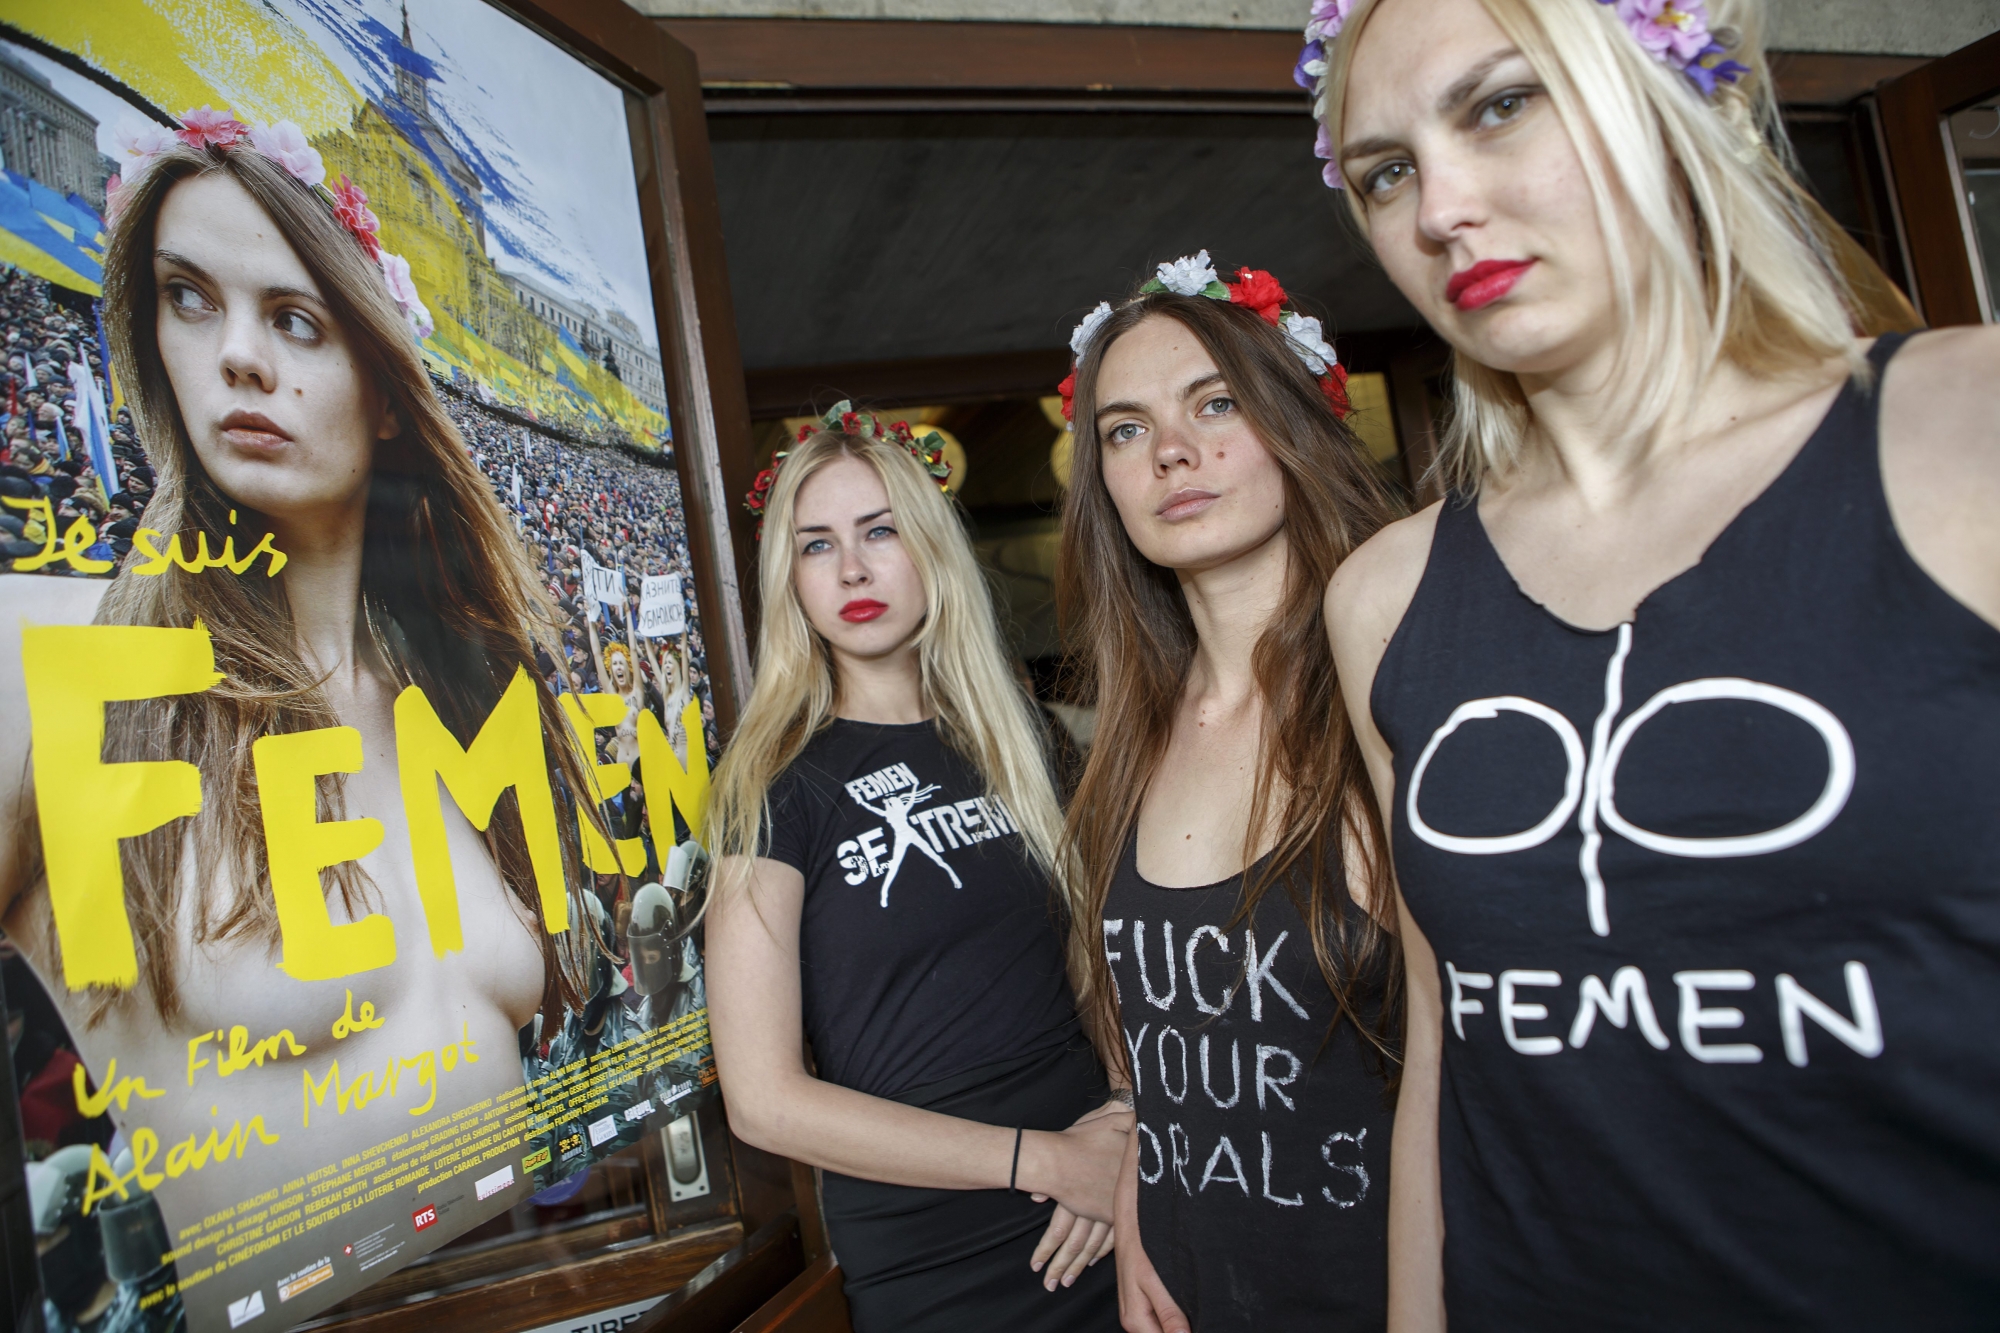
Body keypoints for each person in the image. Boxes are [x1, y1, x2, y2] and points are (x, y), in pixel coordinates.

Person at [1308, 0, 2000, 1327]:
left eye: (1501, 104)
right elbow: (1450, 1052)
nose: (1440, 207)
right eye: (1385, 169)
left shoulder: (1958, 435)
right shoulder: (1386, 599)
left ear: (1659, 96)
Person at [0, 116, 609, 1287]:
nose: (236, 356)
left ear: (385, 391)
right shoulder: (52, 658)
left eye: (294, 319)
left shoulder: (462, 696)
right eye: (189, 298)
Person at [702, 404, 1128, 1331]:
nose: (851, 567)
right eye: (816, 545)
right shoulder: (775, 786)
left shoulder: (1021, 742)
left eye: (880, 530)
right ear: (791, 582)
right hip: (939, 1254)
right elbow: (764, 1102)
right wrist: (1044, 1159)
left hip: (1106, 1203)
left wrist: (1124, 1122)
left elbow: (1099, 963)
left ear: (930, 545)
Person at [1055, 254, 1401, 1333]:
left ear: (1293, 420)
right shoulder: (1126, 741)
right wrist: (1132, 1177)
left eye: (1214, 403)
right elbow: (1148, 1030)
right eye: (1123, 429)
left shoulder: (1395, 687)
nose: (1170, 450)